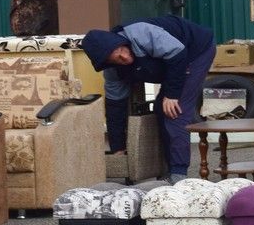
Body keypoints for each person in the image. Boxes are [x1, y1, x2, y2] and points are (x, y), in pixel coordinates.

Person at [82, 15, 216, 184]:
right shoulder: (112, 73)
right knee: (160, 110)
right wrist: (118, 148)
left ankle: (179, 176)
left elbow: (178, 55)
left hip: (194, 50)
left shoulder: (141, 34)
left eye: (122, 50)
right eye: (117, 59)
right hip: (171, 60)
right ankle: (166, 170)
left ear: (121, 42)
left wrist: (172, 95)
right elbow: (115, 107)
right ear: (108, 63)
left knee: (174, 112)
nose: (124, 57)